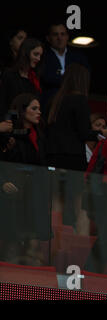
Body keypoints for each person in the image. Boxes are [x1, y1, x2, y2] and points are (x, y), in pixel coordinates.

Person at [0, 93, 49, 266]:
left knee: (31, 243)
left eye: (39, 109)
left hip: (34, 195)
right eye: (34, 108)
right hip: (13, 194)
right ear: (22, 110)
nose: (39, 112)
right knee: (12, 242)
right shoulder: (9, 133)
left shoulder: (40, 136)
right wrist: (3, 182)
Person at [46, 63, 107, 171]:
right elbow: (84, 132)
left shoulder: (54, 101)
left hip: (52, 155)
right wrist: (103, 133)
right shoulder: (80, 100)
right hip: (73, 157)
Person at [41, 23, 89, 107]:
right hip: (50, 103)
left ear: (67, 37)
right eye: (55, 34)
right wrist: (70, 80)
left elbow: (84, 77)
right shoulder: (43, 56)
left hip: (74, 102)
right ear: (48, 38)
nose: (59, 38)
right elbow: (47, 78)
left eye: (63, 34)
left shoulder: (78, 57)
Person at [0, 38, 43, 119]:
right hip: (12, 122)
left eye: (40, 55)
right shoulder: (9, 75)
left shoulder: (34, 78)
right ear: (26, 53)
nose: (38, 59)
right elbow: (3, 103)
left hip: (29, 123)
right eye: (35, 54)